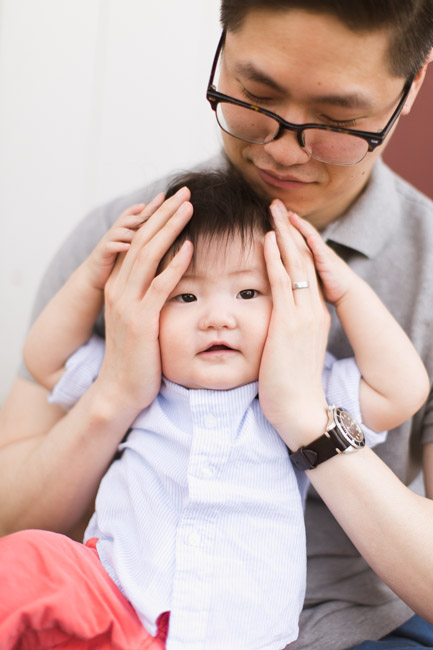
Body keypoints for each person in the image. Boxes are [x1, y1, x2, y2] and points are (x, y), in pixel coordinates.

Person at [1, 1, 433, 648]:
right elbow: (10, 521)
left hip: (358, 628)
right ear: (222, 48)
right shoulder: (122, 241)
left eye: (337, 122)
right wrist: (117, 393)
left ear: (410, 89)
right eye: (254, 98)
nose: (285, 151)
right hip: (132, 610)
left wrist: (308, 422)